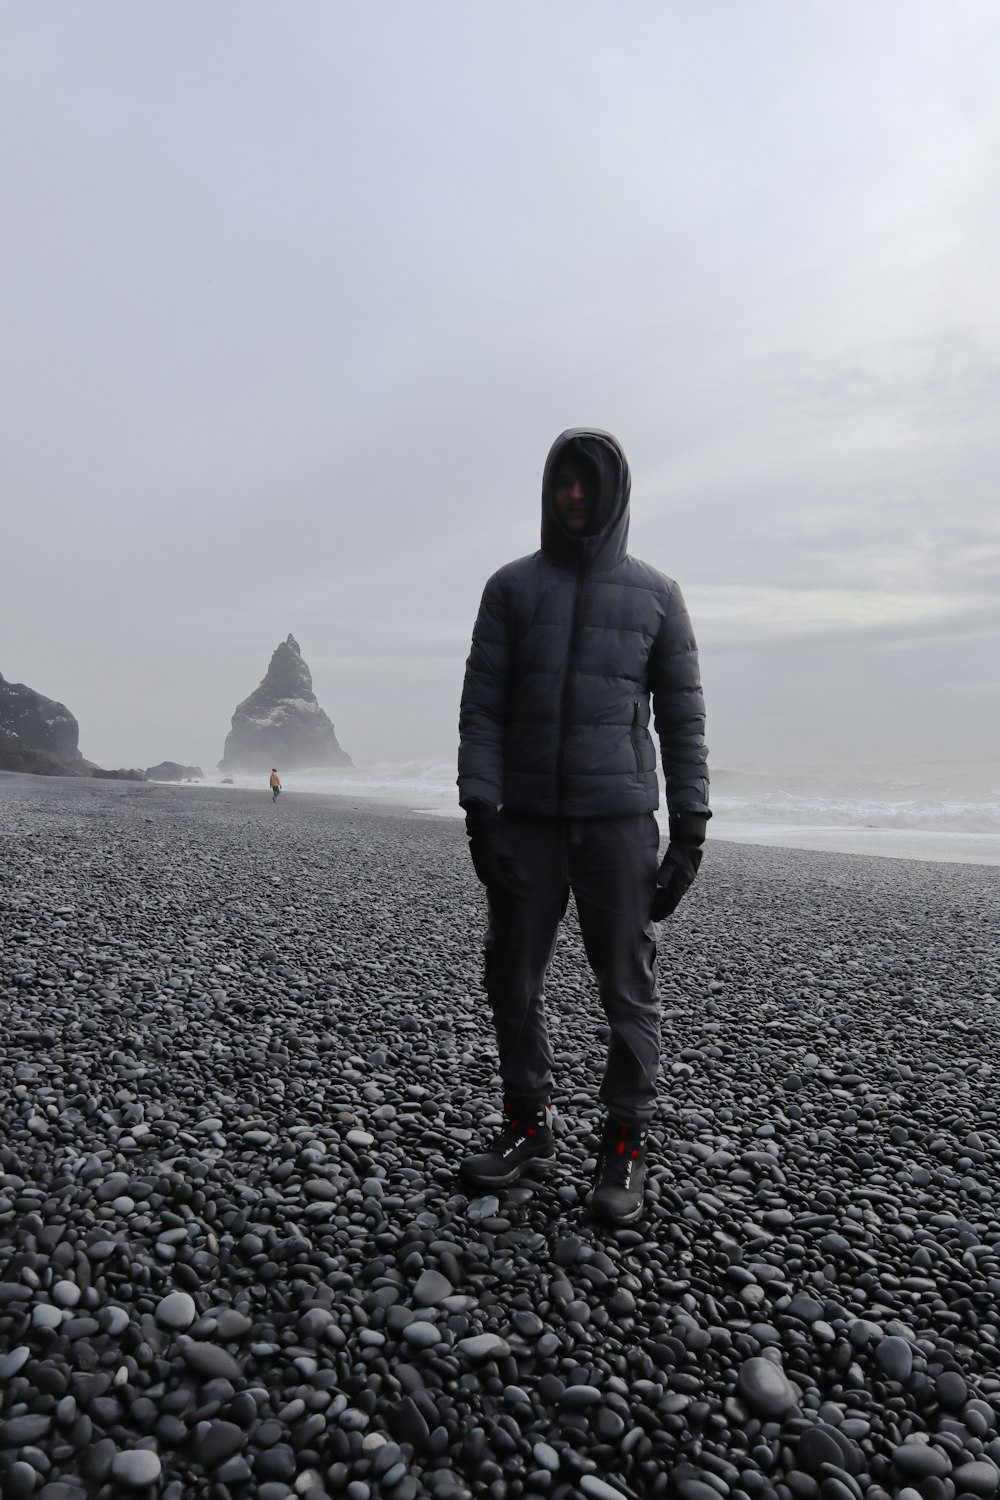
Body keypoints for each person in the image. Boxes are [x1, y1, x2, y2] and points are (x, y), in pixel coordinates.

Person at [457, 428, 710, 1224]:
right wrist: (479, 813)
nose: (575, 495)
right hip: (526, 820)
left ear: (614, 495)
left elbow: (683, 720)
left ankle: (625, 1143)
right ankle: (529, 1125)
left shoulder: (657, 595)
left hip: (618, 825)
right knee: (511, 979)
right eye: (563, 481)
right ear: (548, 489)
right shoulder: (509, 589)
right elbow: (482, 710)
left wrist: (691, 830)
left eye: (588, 484)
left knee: (628, 990)